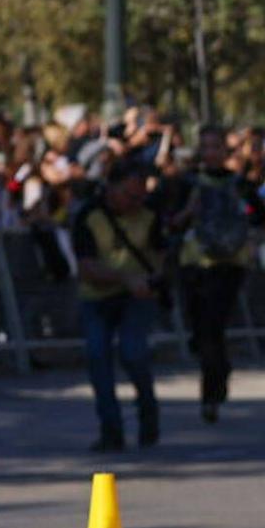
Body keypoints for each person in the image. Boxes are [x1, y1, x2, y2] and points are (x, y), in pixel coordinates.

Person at [168, 126, 265, 425]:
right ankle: (218, 372)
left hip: (229, 265)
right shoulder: (188, 183)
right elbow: (171, 223)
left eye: (216, 147)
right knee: (199, 331)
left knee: (213, 327)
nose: (211, 153)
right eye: (206, 147)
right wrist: (188, 211)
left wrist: (249, 235)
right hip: (195, 263)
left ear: (226, 151)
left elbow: (262, 217)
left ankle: (211, 392)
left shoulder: (239, 185)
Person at [72, 161, 166, 452]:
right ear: (112, 187)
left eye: (140, 197)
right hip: (97, 297)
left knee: (133, 353)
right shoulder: (88, 216)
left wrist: (151, 281)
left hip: (136, 299)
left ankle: (148, 412)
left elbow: (162, 256)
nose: (136, 203)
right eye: (130, 195)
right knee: (98, 355)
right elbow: (87, 267)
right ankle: (111, 429)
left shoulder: (150, 215)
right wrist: (124, 278)